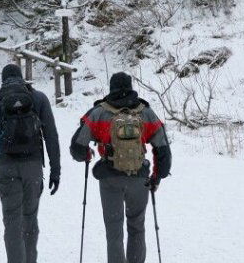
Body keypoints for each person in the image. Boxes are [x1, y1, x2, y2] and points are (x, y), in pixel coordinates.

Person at [70, 72, 171, 263]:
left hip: (110, 179)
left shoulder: (99, 112)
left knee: (114, 231)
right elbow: (163, 149)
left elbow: (76, 147)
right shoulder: (146, 112)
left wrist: (86, 154)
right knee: (137, 226)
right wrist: (156, 177)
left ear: (111, 88)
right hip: (139, 178)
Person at [0, 63, 61, 263]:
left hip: (6, 167)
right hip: (33, 167)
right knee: (30, 220)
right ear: (22, 77)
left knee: (12, 223)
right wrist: (55, 170)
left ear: (2, 80)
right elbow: (51, 135)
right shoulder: (38, 98)